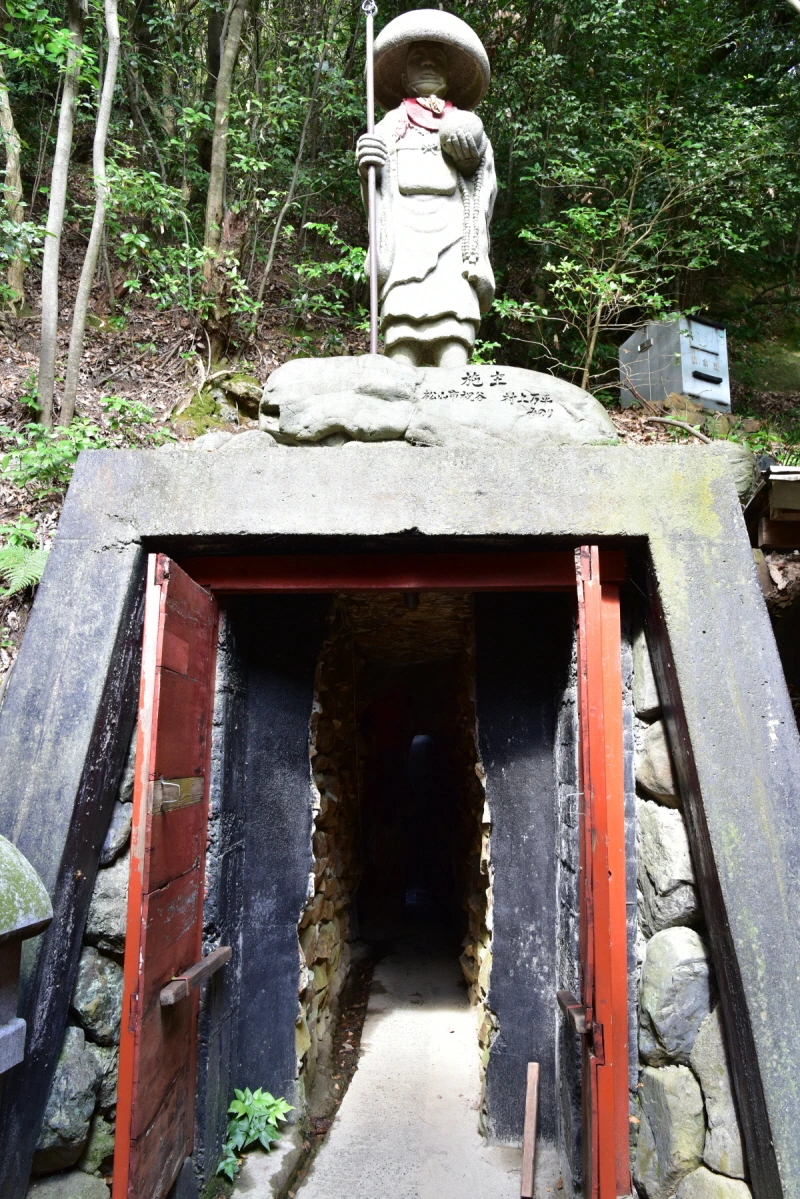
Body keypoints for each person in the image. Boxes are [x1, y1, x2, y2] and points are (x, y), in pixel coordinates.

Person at [356, 10, 497, 368]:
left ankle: (455, 390)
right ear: (403, 76)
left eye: (437, 60)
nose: (428, 64)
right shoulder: (388, 126)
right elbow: (376, 189)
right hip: (405, 237)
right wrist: (368, 164)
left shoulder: (466, 124)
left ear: (450, 76)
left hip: (453, 236)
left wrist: (471, 159)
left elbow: (484, 179)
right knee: (402, 340)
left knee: (454, 339)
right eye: (418, 59)